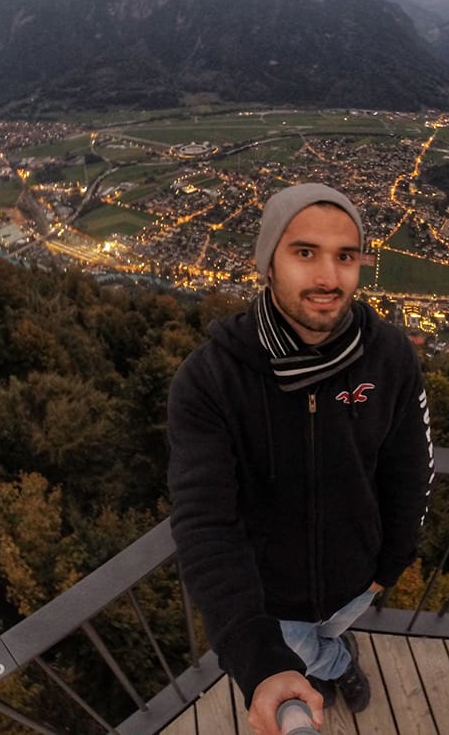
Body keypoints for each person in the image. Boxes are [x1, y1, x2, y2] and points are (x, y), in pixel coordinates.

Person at [167, 183, 434, 734]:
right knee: (305, 655)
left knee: (332, 633)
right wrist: (258, 660)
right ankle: (337, 667)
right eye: (304, 252)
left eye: (346, 257)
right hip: (272, 600)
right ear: (267, 263)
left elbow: (410, 470)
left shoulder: (389, 358)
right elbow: (205, 523)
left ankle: (337, 657)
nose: (328, 279)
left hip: (359, 578)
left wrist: (390, 563)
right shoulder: (210, 381)